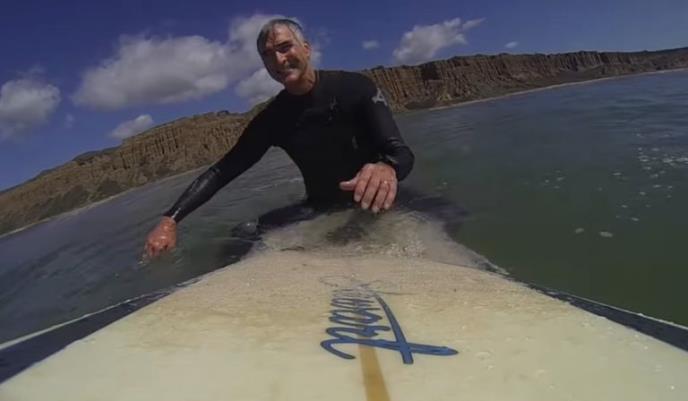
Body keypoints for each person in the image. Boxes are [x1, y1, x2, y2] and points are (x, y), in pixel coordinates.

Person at [144, 18, 415, 258]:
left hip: (377, 201)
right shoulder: (273, 119)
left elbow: (401, 152)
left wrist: (387, 167)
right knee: (243, 234)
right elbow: (222, 171)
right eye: (268, 55)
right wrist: (170, 220)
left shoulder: (355, 88)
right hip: (319, 206)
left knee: (442, 213)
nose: (278, 60)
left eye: (285, 47)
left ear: (306, 48)